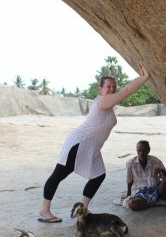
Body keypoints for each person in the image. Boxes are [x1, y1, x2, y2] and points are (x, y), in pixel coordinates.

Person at [38, 62, 150, 223]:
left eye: (114, 87)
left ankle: (83, 209)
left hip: (92, 147)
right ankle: (45, 210)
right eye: (108, 87)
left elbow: (123, 91)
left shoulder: (109, 105)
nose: (112, 89)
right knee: (59, 174)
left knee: (99, 175)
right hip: (80, 143)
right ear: (101, 89)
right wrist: (144, 78)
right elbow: (127, 91)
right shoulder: (101, 101)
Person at [120, 140, 166, 210]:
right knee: (132, 204)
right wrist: (128, 195)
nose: (141, 153)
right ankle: (158, 204)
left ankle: (162, 198)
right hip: (140, 192)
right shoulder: (130, 163)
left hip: (156, 189)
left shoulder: (156, 161)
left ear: (148, 151)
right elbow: (129, 181)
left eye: (144, 151)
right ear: (136, 150)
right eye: (139, 151)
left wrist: (162, 171)